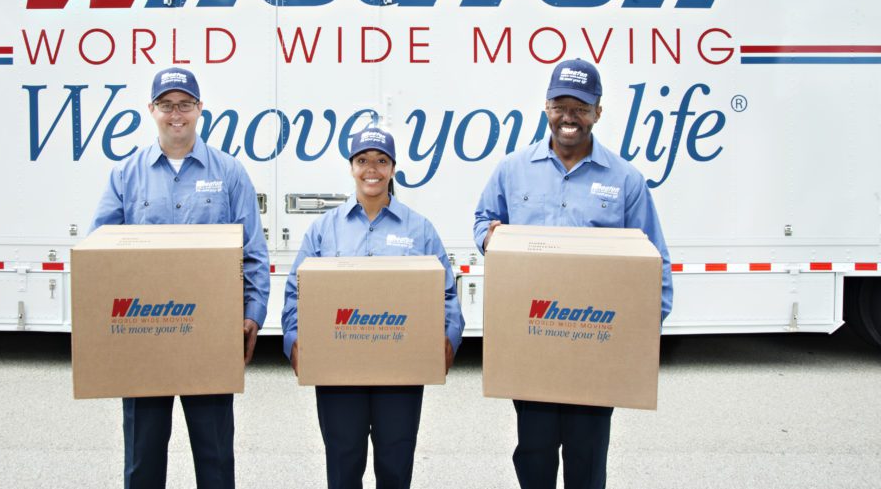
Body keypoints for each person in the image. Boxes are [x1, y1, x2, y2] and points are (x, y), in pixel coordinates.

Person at [473, 59, 673, 489]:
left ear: (598, 112)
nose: (570, 117)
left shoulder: (625, 181)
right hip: (532, 341)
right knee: (534, 453)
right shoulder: (513, 169)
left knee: (587, 460)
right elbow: (483, 220)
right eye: (560, 105)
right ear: (546, 107)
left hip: (595, 348)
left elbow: (655, 264)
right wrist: (490, 239)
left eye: (581, 108)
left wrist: (637, 339)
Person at [90, 66, 270, 489]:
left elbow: (254, 254)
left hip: (209, 334)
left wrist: (253, 314)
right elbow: (101, 254)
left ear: (199, 109)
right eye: (167, 105)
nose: (177, 114)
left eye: (185, 105)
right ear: (151, 110)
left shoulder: (228, 173)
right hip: (142, 334)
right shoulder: (125, 175)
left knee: (215, 459)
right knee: (142, 461)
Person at [281, 127, 465, 489]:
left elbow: (446, 293)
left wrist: (449, 339)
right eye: (363, 160)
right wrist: (294, 342)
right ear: (351, 167)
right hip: (338, 372)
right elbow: (295, 292)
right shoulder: (324, 229)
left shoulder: (419, 229)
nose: (372, 170)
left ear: (393, 168)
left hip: (400, 373)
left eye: (381, 161)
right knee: (343, 463)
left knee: (395, 466)